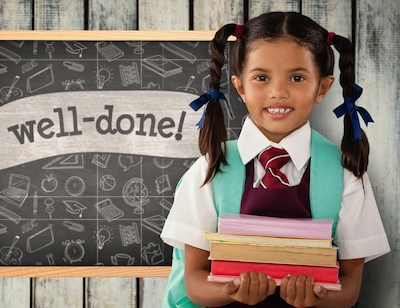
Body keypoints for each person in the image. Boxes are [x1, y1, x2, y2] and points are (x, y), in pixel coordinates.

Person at [160, 11, 390, 308]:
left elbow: (349, 290)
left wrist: (316, 297)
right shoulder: (209, 169)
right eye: (261, 77)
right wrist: (232, 290)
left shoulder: (346, 174)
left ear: (322, 87)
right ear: (240, 87)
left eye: (296, 77)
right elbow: (193, 282)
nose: (278, 92)